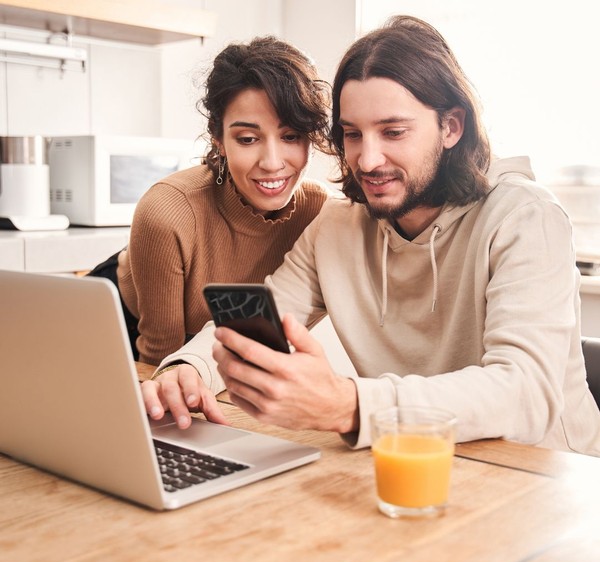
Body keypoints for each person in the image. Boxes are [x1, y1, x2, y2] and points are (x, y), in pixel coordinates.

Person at [142, 16, 600, 456]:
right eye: (352, 135)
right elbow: (256, 321)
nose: (366, 160)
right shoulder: (338, 226)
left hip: (546, 477)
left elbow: (524, 396)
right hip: (415, 460)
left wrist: (347, 404)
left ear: (451, 127)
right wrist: (189, 367)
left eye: (393, 131)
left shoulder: (524, 217)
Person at [87, 36, 332, 366]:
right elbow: (160, 358)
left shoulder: (318, 211)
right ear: (218, 139)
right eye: (247, 139)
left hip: (208, 346)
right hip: (119, 326)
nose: (272, 162)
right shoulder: (170, 211)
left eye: (291, 136)